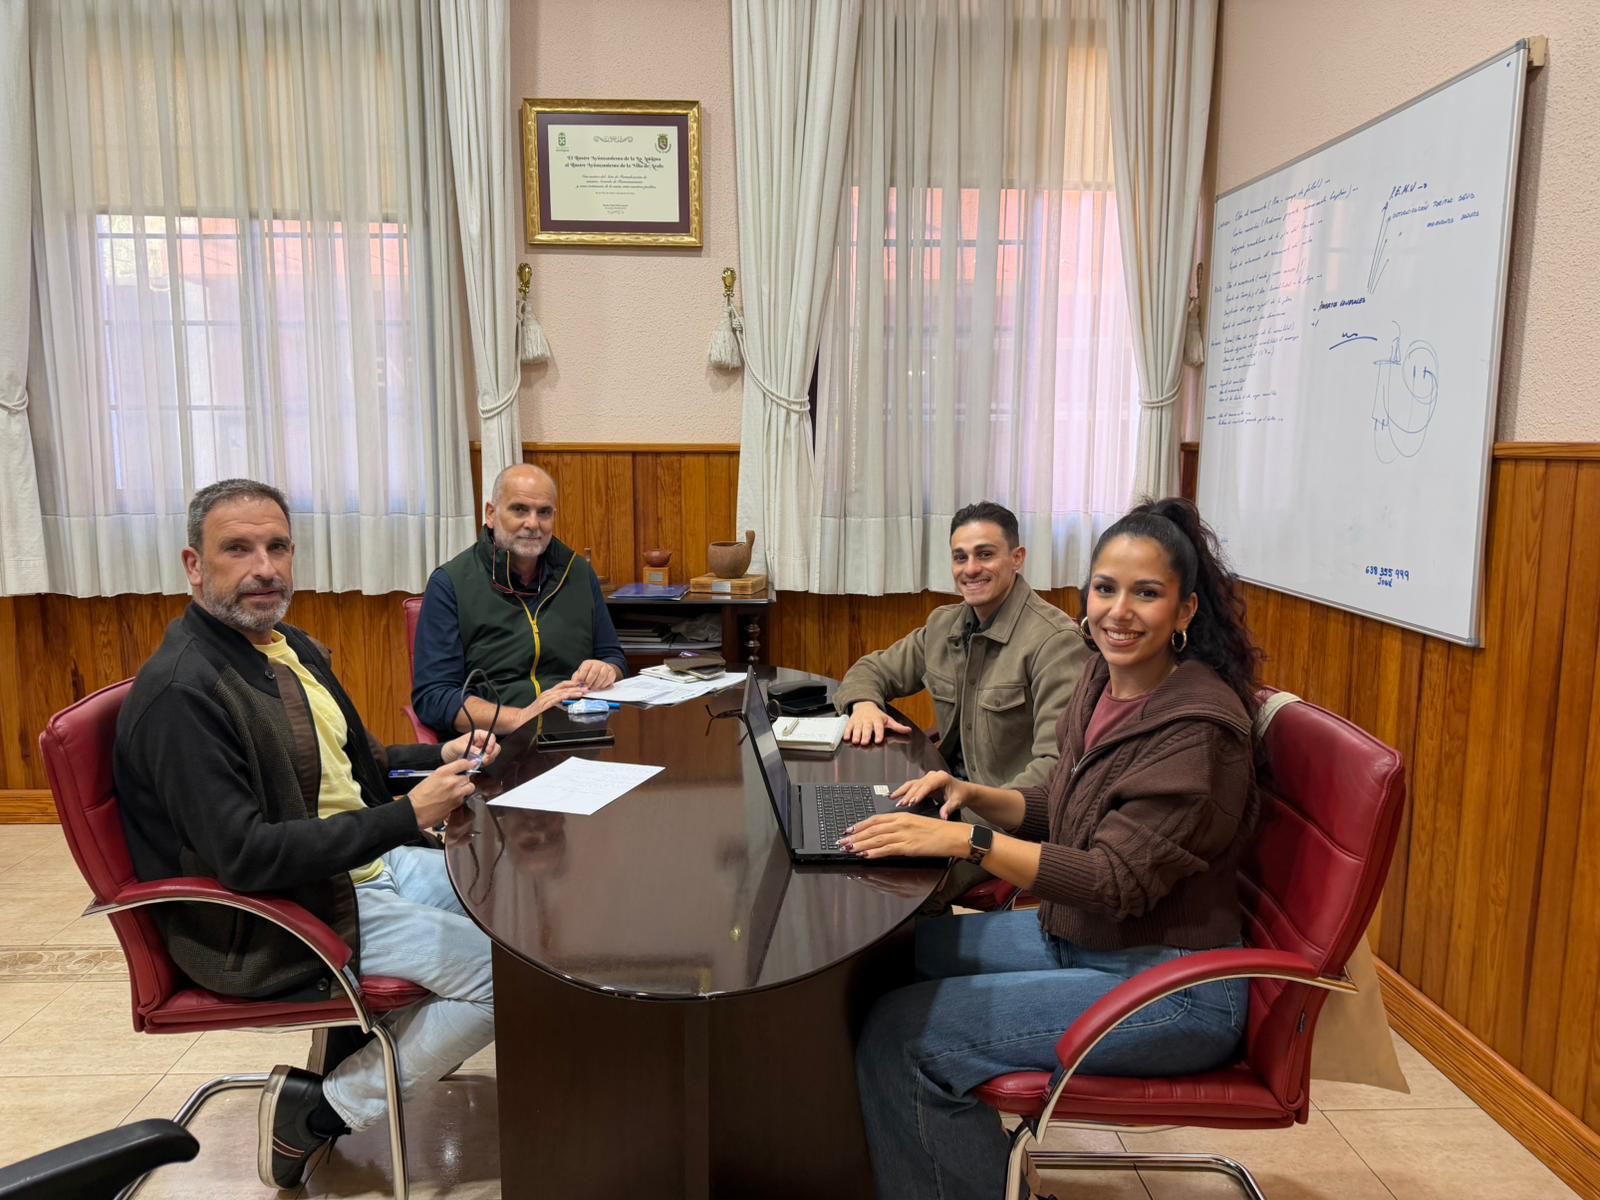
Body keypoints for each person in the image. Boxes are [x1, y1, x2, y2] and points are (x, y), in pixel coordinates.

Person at [846, 496, 1264, 1200]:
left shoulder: (1199, 728)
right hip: (1095, 940)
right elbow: (1056, 805)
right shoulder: (1105, 680)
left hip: (1175, 986)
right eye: (1106, 589)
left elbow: (1108, 880)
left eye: (1148, 594)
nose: (1118, 612)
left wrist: (966, 838)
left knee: (901, 1036)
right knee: (880, 963)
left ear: (1186, 612)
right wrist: (974, 795)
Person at [114, 479, 498, 1190]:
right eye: (239, 549)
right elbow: (246, 856)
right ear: (194, 565)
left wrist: (433, 759)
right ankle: (321, 1113)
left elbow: (353, 766)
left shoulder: (285, 646)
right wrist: (409, 815)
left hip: (358, 869)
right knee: (501, 978)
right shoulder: (183, 694)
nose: (266, 567)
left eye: (278, 546)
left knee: (518, 907)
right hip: (282, 914)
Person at [831, 501, 1088, 903]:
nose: (971, 569)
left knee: (886, 883)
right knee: (844, 837)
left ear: (1017, 558)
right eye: (960, 557)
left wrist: (959, 817)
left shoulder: (1054, 643)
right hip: (942, 796)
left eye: (985, 554)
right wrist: (864, 704)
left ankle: (921, 956)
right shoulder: (944, 625)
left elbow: (1054, 772)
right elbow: (870, 670)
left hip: (1000, 825)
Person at [411, 463, 628, 738]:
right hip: (494, 747)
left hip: (575, 736)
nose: (533, 524)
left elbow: (614, 656)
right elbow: (434, 697)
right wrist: (521, 717)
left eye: (544, 512)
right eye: (519, 509)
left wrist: (606, 669)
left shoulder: (578, 573)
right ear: (491, 514)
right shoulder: (450, 583)